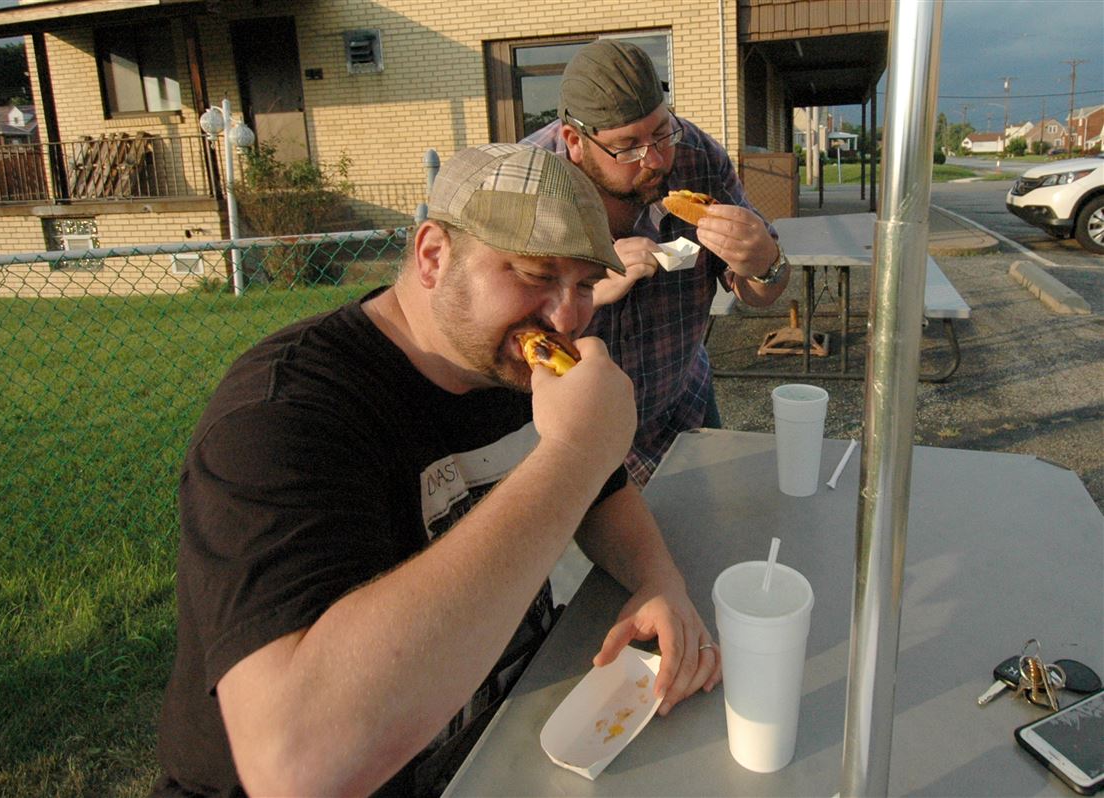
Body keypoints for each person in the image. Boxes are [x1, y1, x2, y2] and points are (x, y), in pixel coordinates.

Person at [152, 143, 721, 798]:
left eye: (586, 285)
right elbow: (298, 765)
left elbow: (603, 495)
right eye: (536, 274)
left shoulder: (507, 359)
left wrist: (658, 580)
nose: (566, 317)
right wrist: (574, 454)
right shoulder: (283, 417)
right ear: (432, 256)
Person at [523, 39, 792, 486]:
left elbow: (764, 291)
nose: (654, 160)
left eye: (661, 132)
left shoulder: (698, 159)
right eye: (627, 147)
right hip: (572, 435)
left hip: (682, 408)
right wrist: (585, 291)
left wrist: (765, 262)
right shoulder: (528, 187)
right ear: (574, 141)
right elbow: (493, 335)